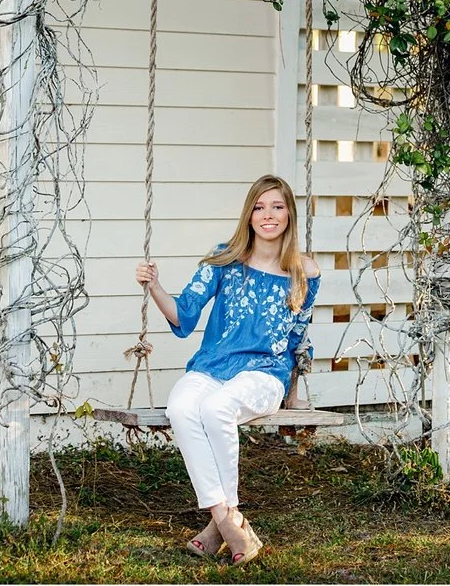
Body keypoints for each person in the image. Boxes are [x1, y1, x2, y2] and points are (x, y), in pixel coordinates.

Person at [135, 174, 321, 566]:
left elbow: (297, 337)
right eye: (259, 207)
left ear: (289, 213)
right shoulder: (224, 258)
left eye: (277, 206)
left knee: (217, 408)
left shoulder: (304, 270)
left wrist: (292, 391)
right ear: (248, 215)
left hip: (264, 373)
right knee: (182, 407)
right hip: (214, 365)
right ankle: (228, 519)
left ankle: (220, 525)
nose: (267, 215)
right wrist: (154, 287)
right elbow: (184, 316)